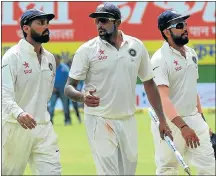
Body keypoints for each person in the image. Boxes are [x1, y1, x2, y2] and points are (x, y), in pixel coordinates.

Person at [64, 3, 173, 175]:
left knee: (128, 171)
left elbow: (149, 83)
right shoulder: (86, 50)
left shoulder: (136, 46)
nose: (99, 25)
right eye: (97, 21)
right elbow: (69, 87)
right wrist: (82, 97)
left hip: (128, 119)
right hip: (99, 119)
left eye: (104, 20)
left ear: (118, 22)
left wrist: (162, 119)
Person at [150, 10, 215, 175]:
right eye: (179, 25)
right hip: (170, 124)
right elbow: (163, 99)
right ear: (166, 31)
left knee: (209, 166)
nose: (185, 28)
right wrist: (183, 126)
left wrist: (202, 120)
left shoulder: (191, 54)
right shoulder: (159, 59)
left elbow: (193, 90)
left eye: (185, 24)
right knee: (168, 169)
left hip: (194, 119)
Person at [2, 9, 61, 175]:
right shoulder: (12, 56)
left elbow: (46, 93)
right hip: (15, 127)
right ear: (26, 28)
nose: (46, 27)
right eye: (40, 23)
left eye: (47, 23)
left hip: (43, 127)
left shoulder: (50, 59)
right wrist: (19, 113)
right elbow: (3, 93)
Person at [48, 54, 74, 125]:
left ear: (59, 59)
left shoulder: (64, 68)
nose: (55, 60)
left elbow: (69, 79)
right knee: (52, 106)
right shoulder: (49, 68)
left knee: (65, 106)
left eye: (56, 59)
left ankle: (67, 120)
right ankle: (50, 121)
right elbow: (47, 79)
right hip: (53, 91)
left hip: (63, 91)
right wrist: (51, 87)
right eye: (54, 59)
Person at [66, 59, 83, 123]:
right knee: (66, 106)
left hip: (74, 92)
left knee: (75, 106)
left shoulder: (76, 72)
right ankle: (68, 120)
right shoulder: (67, 71)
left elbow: (80, 82)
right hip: (67, 91)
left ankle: (79, 118)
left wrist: (79, 89)